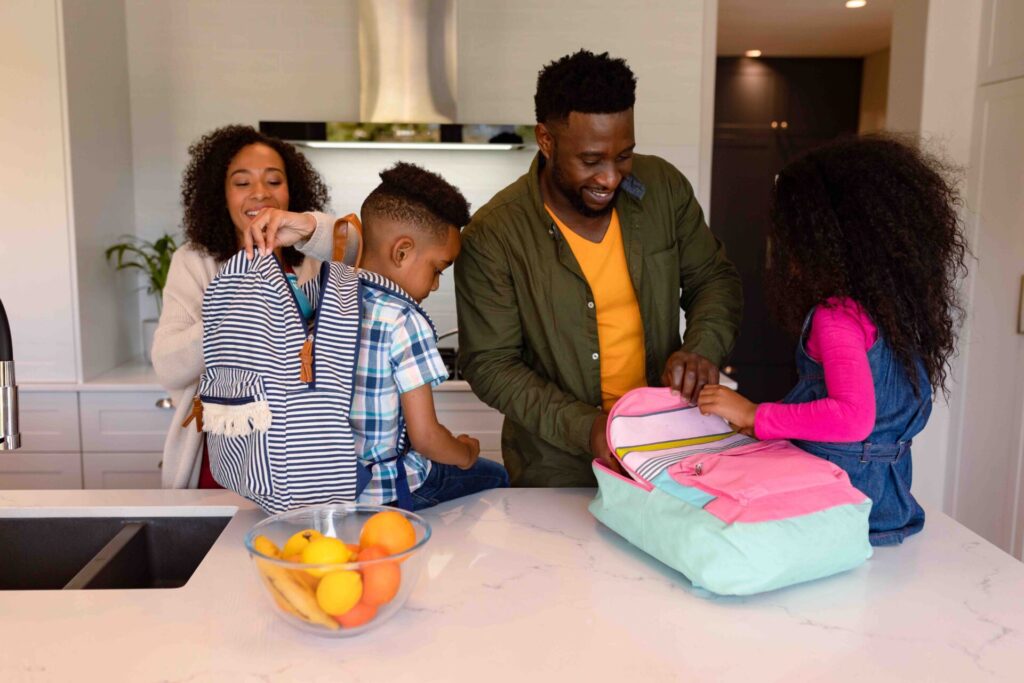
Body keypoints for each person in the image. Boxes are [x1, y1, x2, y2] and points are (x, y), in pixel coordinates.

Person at [454, 50, 743, 487]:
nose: (610, 178)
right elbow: (491, 364)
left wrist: (702, 348)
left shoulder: (663, 190)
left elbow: (714, 280)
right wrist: (587, 427)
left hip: (666, 446)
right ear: (546, 141)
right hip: (555, 466)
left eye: (623, 156)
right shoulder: (493, 236)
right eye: (591, 161)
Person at [697, 136, 969, 546]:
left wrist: (755, 414)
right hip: (889, 505)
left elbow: (852, 417)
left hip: (833, 505)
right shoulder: (895, 314)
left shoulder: (836, 318)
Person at [154, 124, 361, 489]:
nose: (260, 194)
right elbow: (169, 365)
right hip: (223, 451)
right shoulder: (194, 262)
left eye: (274, 181)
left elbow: (360, 248)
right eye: (242, 182)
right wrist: (234, 309)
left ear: (292, 189)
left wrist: (307, 226)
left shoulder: (311, 258)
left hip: (307, 449)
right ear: (221, 194)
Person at [352, 162, 509, 510]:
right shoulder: (404, 319)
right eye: (437, 269)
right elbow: (425, 438)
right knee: (498, 478)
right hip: (392, 490)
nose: (435, 285)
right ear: (402, 251)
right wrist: (465, 453)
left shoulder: (332, 298)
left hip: (336, 487)